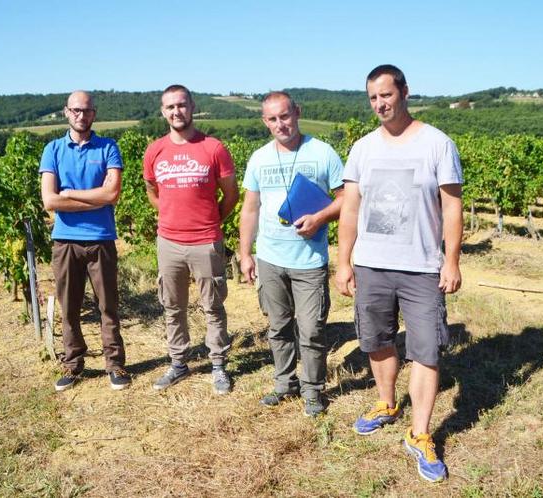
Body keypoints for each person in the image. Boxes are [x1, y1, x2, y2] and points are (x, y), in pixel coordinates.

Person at [335, 64, 463, 482]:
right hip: (372, 264)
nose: (380, 104)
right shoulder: (362, 148)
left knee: (426, 349)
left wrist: (452, 259)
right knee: (376, 340)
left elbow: (452, 207)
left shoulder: (437, 144)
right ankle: (387, 402)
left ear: (404, 92)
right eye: (373, 98)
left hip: (422, 267)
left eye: (386, 95)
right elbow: (350, 209)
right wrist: (344, 261)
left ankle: (420, 433)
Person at [239, 91, 344, 417]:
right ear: (265, 122)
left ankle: (313, 390)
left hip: (309, 261)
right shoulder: (259, 158)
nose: (280, 124)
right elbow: (250, 209)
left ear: (297, 112)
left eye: (285, 116)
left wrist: (320, 218)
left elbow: (347, 200)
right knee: (279, 327)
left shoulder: (322, 152)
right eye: (272, 119)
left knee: (312, 329)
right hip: (270, 258)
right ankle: (285, 383)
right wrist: (246, 253)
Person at [143, 84, 239, 395]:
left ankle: (218, 365)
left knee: (212, 305)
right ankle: (179, 363)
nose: (176, 112)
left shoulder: (213, 148)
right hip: (168, 241)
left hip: (206, 240)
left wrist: (209, 220)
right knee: (172, 305)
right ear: (163, 112)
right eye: (170, 107)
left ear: (192, 106)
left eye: (181, 105)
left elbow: (231, 195)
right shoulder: (154, 150)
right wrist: (173, 217)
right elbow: (153, 192)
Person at [39, 90, 130, 392]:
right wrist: (95, 200)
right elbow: (49, 201)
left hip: (101, 240)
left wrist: (71, 194)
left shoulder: (108, 147)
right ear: (66, 112)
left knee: (108, 306)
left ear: (95, 113)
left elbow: (112, 194)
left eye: (87, 110)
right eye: (76, 110)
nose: (82, 115)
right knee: (69, 307)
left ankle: (115, 365)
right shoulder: (52, 149)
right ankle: (73, 364)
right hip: (65, 242)